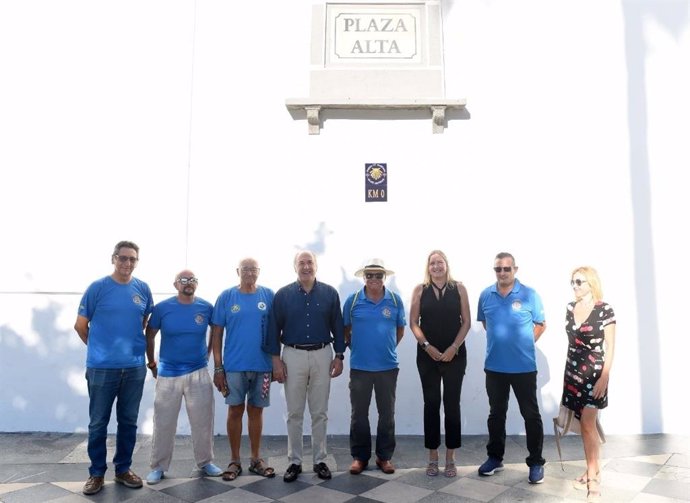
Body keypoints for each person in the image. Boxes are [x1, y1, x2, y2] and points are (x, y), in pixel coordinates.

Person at [74, 241, 153, 495]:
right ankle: (96, 473)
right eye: (123, 258)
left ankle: (123, 470)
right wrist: (99, 349)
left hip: (134, 368)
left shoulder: (143, 289)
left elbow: (142, 323)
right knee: (98, 423)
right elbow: (80, 325)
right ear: (113, 259)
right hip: (102, 369)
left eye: (132, 259)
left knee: (128, 422)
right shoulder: (97, 288)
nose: (127, 263)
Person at [263, 250, 345, 483]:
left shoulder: (329, 293)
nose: (306, 266)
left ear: (316, 266)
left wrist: (339, 356)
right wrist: (276, 360)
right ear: (295, 267)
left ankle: (320, 460)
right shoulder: (283, 295)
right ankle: (294, 461)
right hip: (293, 355)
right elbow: (273, 329)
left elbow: (338, 326)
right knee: (294, 412)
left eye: (310, 262)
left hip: (322, 354)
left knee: (319, 411)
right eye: (302, 263)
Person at [144, 270, 222, 484]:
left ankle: (205, 462)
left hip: (198, 372)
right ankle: (158, 467)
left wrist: (207, 355)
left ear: (197, 284)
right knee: (163, 423)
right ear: (175, 284)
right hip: (168, 374)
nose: (188, 283)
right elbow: (149, 334)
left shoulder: (206, 307)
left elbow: (216, 332)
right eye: (184, 280)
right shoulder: (162, 308)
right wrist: (151, 362)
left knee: (203, 422)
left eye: (192, 280)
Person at [476, 252, 546, 484]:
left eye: (507, 269)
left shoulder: (529, 294)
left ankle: (536, 462)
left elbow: (541, 324)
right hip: (495, 368)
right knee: (496, 415)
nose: (502, 273)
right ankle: (495, 458)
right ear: (494, 270)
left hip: (524, 368)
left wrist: (524, 343)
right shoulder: (486, 295)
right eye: (498, 269)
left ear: (515, 269)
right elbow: (487, 324)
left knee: (531, 415)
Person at [211, 258, 276, 481]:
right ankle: (234, 460)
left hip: (263, 366)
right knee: (235, 411)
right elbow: (217, 334)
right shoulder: (227, 297)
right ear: (237, 271)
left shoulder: (268, 295)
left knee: (256, 411)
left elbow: (277, 330)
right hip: (234, 367)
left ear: (259, 272)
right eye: (245, 269)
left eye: (253, 269)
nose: (249, 273)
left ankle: (256, 459)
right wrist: (218, 367)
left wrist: (277, 362)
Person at [409, 250, 471, 478]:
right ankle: (433, 457)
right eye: (432, 263)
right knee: (431, 403)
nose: (436, 266)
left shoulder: (459, 289)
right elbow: (413, 322)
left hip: (455, 356)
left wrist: (454, 347)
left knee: (452, 405)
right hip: (427, 356)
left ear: (446, 265)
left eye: (440, 262)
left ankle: (451, 458)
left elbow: (466, 322)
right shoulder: (420, 290)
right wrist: (427, 346)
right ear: (428, 267)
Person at [343, 259, 406, 475]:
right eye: (369, 275)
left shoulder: (395, 301)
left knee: (386, 414)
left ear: (384, 277)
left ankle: (384, 457)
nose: (374, 279)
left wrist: (383, 349)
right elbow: (345, 330)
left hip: (387, 368)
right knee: (358, 414)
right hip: (360, 367)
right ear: (364, 277)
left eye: (378, 275)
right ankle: (360, 457)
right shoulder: (352, 302)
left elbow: (399, 331)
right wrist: (359, 349)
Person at [562, 267, 616, 502]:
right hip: (573, 372)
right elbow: (571, 344)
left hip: (594, 375)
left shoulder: (605, 310)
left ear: (591, 283)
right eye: (572, 282)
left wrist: (605, 376)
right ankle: (591, 468)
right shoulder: (570, 308)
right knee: (585, 426)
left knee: (587, 424)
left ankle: (593, 478)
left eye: (579, 282)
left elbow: (610, 347)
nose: (575, 286)